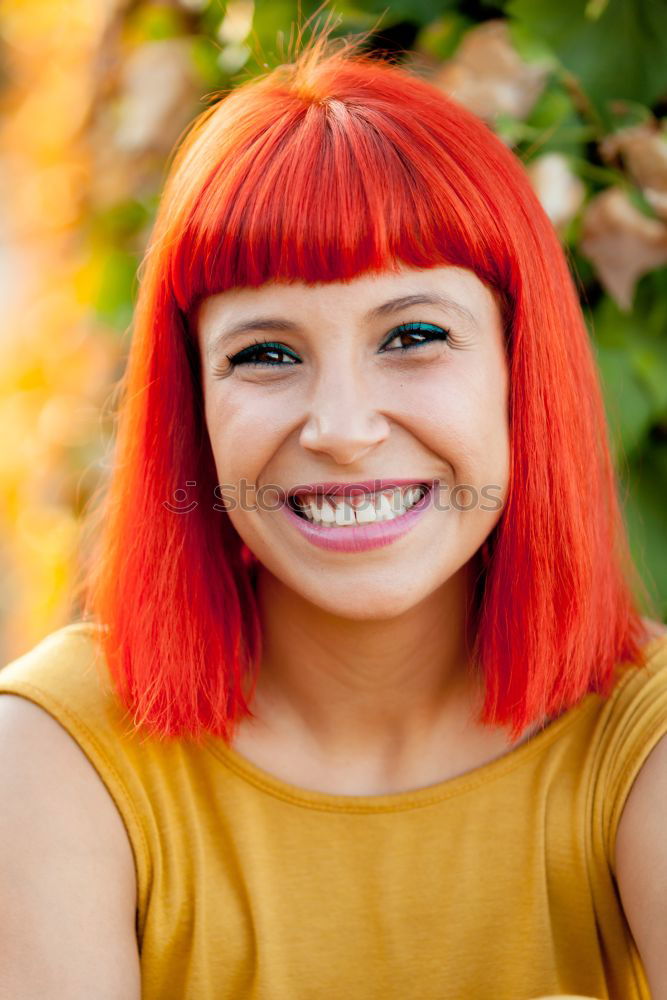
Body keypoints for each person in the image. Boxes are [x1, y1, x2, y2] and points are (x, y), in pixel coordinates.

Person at [0, 34, 665, 1000]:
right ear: (191, 407)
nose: (343, 431)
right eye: (265, 354)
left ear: (524, 371)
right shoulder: (52, 759)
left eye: (416, 336)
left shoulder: (639, 737)